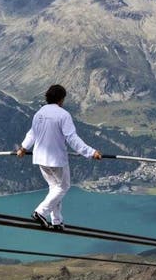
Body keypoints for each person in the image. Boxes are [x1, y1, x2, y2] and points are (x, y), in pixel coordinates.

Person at [18, 84, 101, 231]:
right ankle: (40, 212)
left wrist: (23, 148)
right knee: (63, 187)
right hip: (56, 159)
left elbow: (32, 134)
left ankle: (56, 221)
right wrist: (91, 152)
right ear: (61, 99)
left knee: (54, 188)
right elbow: (72, 138)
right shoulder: (63, 115)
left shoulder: (39, 113)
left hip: (40, 159)